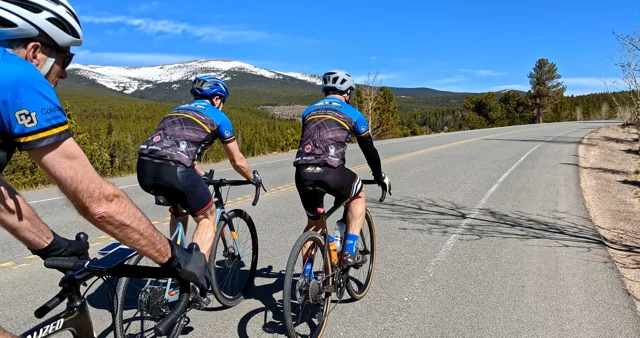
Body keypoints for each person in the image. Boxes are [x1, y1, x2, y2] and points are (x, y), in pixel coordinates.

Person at [0, 1, 211, 335]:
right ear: (35, 51)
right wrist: (176, 259)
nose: (66, 72)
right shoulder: (16, 74)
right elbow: (99, 203)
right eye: (66, 58)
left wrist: (50, 244)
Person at [137, 74, 263, 261]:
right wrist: (252, 178)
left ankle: (175, 265)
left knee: (180, 211)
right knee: (207, 217)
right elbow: (237, 161)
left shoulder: (175, 111)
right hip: (176, 170)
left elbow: (177, 149)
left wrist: (202, 174)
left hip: (144, 168)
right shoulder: (219, 116)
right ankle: (196, 279)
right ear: (217, 99)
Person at [293, 69, 391, 273]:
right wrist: (378, 175)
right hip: (331, 171)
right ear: (346, 93)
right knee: (358, 192)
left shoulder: (308, 111)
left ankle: (306, 276)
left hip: (302, 173)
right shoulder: (353, 113)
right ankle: (349, 250)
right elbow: (369, 149)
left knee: (314, 223)